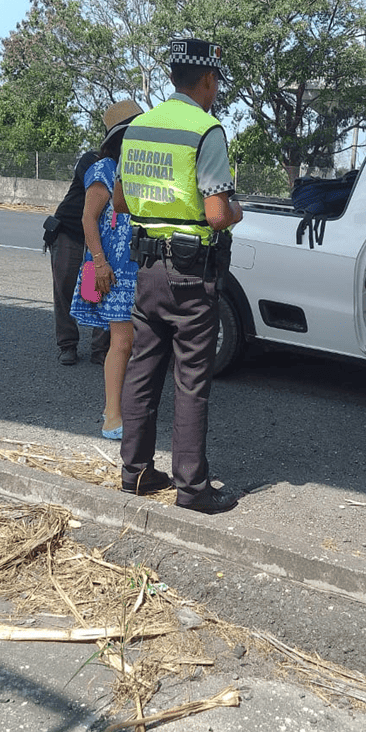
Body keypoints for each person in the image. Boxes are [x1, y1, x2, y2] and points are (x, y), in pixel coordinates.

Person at [113, 38, 243, 513]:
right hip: (191, 273)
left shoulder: (138, 127)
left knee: (143, 369)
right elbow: (214, 213)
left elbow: (121, 202)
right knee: (191, 379)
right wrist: (236, 211)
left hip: (146, 268)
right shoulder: (206, 130)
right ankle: (192, 489)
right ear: (207, 80)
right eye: (215, 84)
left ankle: (137, 473)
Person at [69, 100, 143, 439]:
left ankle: (121, 406)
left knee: (135, 341)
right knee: (123, 340)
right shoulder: (104, 169)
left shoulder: (139, 168)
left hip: (138, 264)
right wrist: (99, 263)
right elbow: (88, 218)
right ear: (122, 137)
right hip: (114, 269)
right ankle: (112, 414)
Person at [44, 142, 111, 367]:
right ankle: (67, 345)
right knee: (65, 288)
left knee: (103, 290)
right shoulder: (91, 160)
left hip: (102, 237)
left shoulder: (128, 166)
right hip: (70, 231)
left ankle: (101, 349)